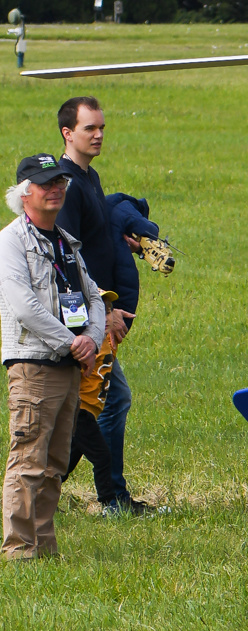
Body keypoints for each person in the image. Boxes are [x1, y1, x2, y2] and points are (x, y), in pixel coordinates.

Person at [0, 154, 107, 558]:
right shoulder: (10, 241)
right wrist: (71, 342)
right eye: (46, 183)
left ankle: (44, 548)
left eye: (60, 182)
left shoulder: (63, 241)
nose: (57, 189)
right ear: (24, 193)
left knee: (54, 463)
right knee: (28, 460)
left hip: (70, 365)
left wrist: (92, 338)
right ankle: (18, 550)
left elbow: (93, 295)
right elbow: (25, 306)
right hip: (34, 364)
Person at [55, 97, 145, 514]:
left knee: (96, 407)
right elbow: (69, 259)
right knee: (95, 407)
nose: (99, 135)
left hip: (95, 316)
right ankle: (110, 497)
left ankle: (49, 493)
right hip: (84, 321)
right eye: (90, 128)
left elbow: (94, 238)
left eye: (102, 128)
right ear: (67, 133)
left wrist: (122, 241)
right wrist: (102, 314)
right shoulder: (68, 186)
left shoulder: (89, 177)